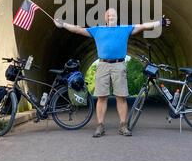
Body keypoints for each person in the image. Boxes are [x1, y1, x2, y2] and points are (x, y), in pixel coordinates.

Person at [54, 8, 170, 137]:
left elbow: (142, 26)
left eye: (113, 15)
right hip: (103, 65)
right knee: (101, 97)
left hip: (119, 65)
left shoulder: (124, 29)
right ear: (105, 18)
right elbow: (78, 29)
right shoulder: (98, 30)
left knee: (121, 96)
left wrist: (158, 23)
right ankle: (100, 126)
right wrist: (63, 24)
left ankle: (123, 125)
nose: (111, 17)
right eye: (108, 15)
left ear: (117, 17)